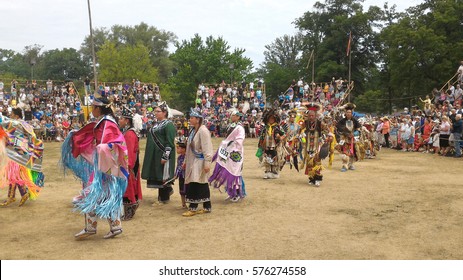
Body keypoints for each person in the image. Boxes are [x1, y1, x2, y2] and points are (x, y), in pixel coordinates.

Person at [61, 96, 128, 239]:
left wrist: (99, 150)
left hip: (102, 167)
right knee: (105, 195)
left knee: (91, 193)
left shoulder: (107, 123)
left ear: (99, 108)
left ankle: (91, 227)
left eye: (93, 107)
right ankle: (115, 227)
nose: (91, 110)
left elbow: (114, 143)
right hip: (102, 166)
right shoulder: (104, 122)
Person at [0, 108, 45, 207]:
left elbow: (4, 123)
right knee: (14, 175)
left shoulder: (16, 124)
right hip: (22, 153)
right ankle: (14, 196)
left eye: (11, 114)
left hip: (17, 154)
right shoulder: (25, 124)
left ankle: (19, 195)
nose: (10, 116)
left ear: (16, 115)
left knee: (14, 175)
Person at [141, 101, 176, 205]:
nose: (155, 113)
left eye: (158, 111)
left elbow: (169, 142)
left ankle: (163, 198)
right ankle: (168, 191)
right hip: (155, 155)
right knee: (158, 173)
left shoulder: (168, 125)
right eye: (155, 111)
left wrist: (166, 156)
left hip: (163, 154)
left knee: (163, 174)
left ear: (164, 112)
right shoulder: (157, 124)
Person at [182, 108, 214, 217]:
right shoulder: (193, 131)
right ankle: (207, 206)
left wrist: (207, 163)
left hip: (200, 161)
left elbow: (207, 148)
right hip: (192, 161)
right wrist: (186, 160)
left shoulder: (203, 131)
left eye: (192, 118)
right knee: (202, 183)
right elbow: (188, 148)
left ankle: (193, 207)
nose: (190, 119)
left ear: (198, 119)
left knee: (195, 183)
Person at [209, 110, 246, 202]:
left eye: (233, 115)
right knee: (226, 170)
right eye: (231, 115)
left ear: (238, 117)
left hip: (235, 153)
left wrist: (231, 146)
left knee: (234, 172)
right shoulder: (232, 125)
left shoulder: (240, 128)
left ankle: (237, 193)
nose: (231, 117)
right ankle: (230, 192)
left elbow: (239, 141)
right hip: (228, 151)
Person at [118, 106, 142, 220]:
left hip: (129, 166)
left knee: (129, 188)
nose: (119, 121)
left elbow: (130, 152)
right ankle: (129, 209)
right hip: (130, 165)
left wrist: (128, 167)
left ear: (127, 120)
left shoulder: (129, 134)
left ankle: (129, 210)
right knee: (130, 187)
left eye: (121, 119)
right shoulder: (129, 132)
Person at [299, 103, 327, 186]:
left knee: (317, 161)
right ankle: (311, 178)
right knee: (309, 162)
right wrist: (300, 136)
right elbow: (300, 130)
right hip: (308, 145)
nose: (311, 117)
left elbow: (327, 130)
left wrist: (325, 137)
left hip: (317, 145)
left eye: (312, 115)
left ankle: (317, 178)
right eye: (310, 115)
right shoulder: (305, 122)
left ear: (315, 115)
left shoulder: (319, 123)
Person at [257, 109, 286, 179]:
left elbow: (284, 135)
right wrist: (260, 145)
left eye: (272, 118)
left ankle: (274, 172)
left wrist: (280, 137)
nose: (271, 120)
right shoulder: (265, 128)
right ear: (267, 119)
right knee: (267, 159)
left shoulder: (278, 127)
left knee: (275, 159)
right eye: (269, 118)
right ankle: (267, 172)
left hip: (275, 146)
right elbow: (261, 136)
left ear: (275, 119)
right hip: (266, 146)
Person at [336, 103, 361, 171]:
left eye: (350, 112)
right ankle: (344, 165)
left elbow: (358, 129)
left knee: (353, 151)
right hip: (345, 138)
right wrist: (345, 134)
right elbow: (338, 129)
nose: (348, 113)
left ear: (352, 113)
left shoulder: (355, 120)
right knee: (345, 151)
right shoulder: (342, 121)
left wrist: (355, 133)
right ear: (345, 113)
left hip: (353, 139)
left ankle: (351, 164)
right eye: (347, 112)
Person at [174, 139, 187, 208]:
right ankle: (183, 204)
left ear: (183, 149)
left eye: (178, 148)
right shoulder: (179, 158)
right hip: (181, 176)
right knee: (181, 190)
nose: (177, 149)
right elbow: (178, 167)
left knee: (187, 190)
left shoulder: (187, 157)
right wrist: (176, 174)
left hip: (187, 176)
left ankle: (190, 203)